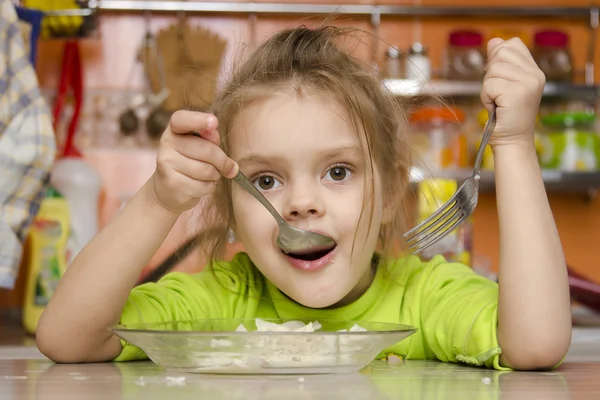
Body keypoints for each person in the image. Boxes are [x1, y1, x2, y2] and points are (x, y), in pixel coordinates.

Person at [36, 26, 571, 371]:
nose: (301, 204)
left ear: (388, 192)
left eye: (338, 171)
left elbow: (537, 344)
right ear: (230, 209)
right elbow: (68, 339)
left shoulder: (422, 298)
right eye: (265, 180)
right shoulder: (223, 299)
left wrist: (515, 143)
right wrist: (158, 200)